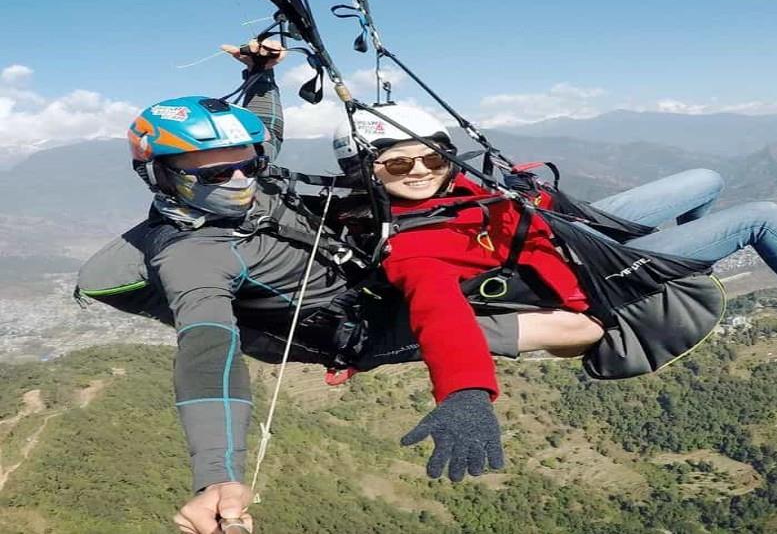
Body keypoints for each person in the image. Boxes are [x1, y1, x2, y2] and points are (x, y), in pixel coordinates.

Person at [77, 42, 596, 534]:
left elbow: (266, 131)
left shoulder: (250, 175)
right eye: (216, 173)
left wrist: (260, 74)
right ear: (160, 176)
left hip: (364, 283)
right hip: (356, 332)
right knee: (579, 329)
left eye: (247, 164)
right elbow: (208, 354)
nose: (239, 180)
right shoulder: (193, 256)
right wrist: (217, 475)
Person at [338, 106, 777, 483]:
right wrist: (465, 393)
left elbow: (507, 207)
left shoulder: (460, 186)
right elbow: (440, 316)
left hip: (574, 230)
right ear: (370, 172)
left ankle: (676, 259)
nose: (418, 170)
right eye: (397, 165)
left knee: (706, 179)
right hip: (591, 275)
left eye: (430, 157)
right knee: (763, 217)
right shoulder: (412, 248)